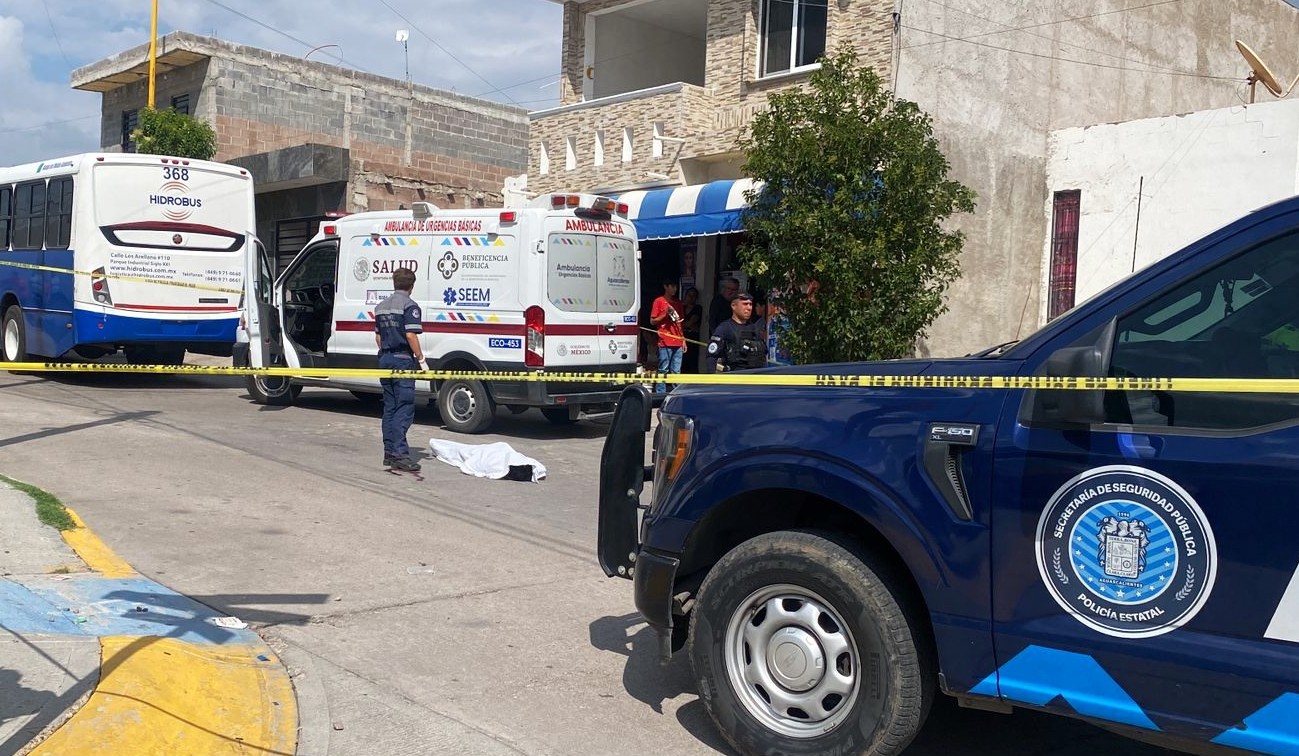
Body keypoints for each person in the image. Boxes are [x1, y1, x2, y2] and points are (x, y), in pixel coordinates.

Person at [374, 267, 425, 471]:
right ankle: (400, 455)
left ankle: (389, 452)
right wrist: (420, 358)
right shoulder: (410, 306)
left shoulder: (380, 307)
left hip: (385, 359)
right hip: (402, 359)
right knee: (404, 407)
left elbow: (378, 337)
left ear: (394, 283)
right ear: (411, 286)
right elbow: (411, 335)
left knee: (390, 407)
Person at [708, 292, 768, 372]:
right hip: (734, 375)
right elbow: (711, 357)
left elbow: (762, 355)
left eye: (750, 304)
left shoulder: (754, 329)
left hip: (754, 375)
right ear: (733, 306)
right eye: (745, 304)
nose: (749, 308)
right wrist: (712, 377)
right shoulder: (724, 328)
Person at [650, 279, 685, 393]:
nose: (674, 289)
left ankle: (676, 393)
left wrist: (683, 340)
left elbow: (680, 322)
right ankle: (661, 393)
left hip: (678, 341)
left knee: (676, 371)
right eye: (672, 286)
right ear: (666, 286)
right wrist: (664, 314)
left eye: (676, 287)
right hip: (665, 340)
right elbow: (652, 321)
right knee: (663, 369)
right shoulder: (659, 301)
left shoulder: (678, 303)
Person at [681, 287, 703, 373]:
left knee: (692, 361)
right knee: (682, 361)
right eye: (689, 295)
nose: (691, 298)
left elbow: (689, 323)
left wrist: (682, 324)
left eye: (693, 296)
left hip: (693, 338)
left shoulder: (698, 308)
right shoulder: (682, 308)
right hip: (682, 337)